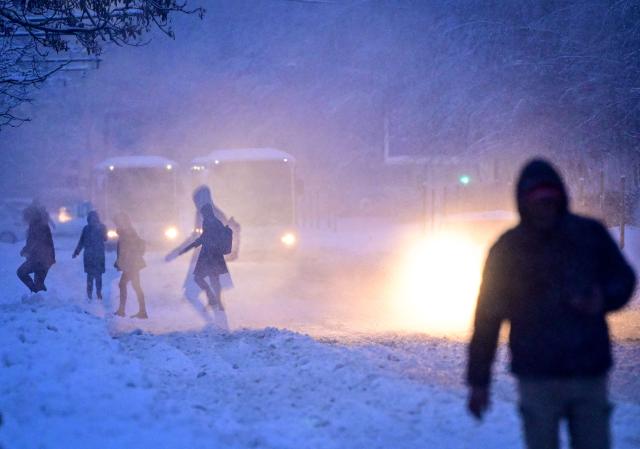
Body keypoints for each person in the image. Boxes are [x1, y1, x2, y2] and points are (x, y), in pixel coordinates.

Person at [466, 159, 636, 449]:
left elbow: (624, 278)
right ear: (522, 200)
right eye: (536, 197)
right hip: (537, 376)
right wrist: (479, 381)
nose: (543, 203)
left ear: (561, 195)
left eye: (549, 196)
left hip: (587, 373)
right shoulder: (508, 249)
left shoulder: (589, 235)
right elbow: (488, 318)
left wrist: (602, 299)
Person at [178, 203, 230, 311]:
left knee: (199, 278)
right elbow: (206, 238)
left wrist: (187, 248)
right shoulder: (216, 222)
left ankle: (212, 298)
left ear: (206, 212)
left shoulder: (208, 222)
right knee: (214, 279)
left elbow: (203, 239)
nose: (202, 215)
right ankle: (217, 302)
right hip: (216, 255)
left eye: (203, 213)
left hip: (208, 255)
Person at [113, 212, 147, 319]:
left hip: (132, 263)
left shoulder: (128, 231)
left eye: (119, 221)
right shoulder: (126, 231)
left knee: (124, 284)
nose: (117, 223)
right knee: (134, 286)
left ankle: (123, 310)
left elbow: (128, 249)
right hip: (131, 263)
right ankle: (141, 311)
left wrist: (125, 261)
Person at [17, 204, 56, 293]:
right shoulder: (37, 224)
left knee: (21, 272)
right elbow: (33, 242)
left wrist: (25, 250)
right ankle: (41, 297)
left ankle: (39, 295)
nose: (25, 219)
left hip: (41, 259)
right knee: (39, 283)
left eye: (26, 216)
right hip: (43, 258)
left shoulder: (38, 225)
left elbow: (37, 242)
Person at [73, 211, 107, 300]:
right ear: (89, 219)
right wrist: (76, 252)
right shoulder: (86, 229)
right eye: (91, 218)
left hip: (99, 255)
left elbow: (105, 238)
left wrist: (101, 230)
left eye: (95, 218)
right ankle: (89, 294)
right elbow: (81, 241)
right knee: (90, 276)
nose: (93, 220)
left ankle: (99, 293)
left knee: (98, 276)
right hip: (89, 256)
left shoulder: (102, 227)